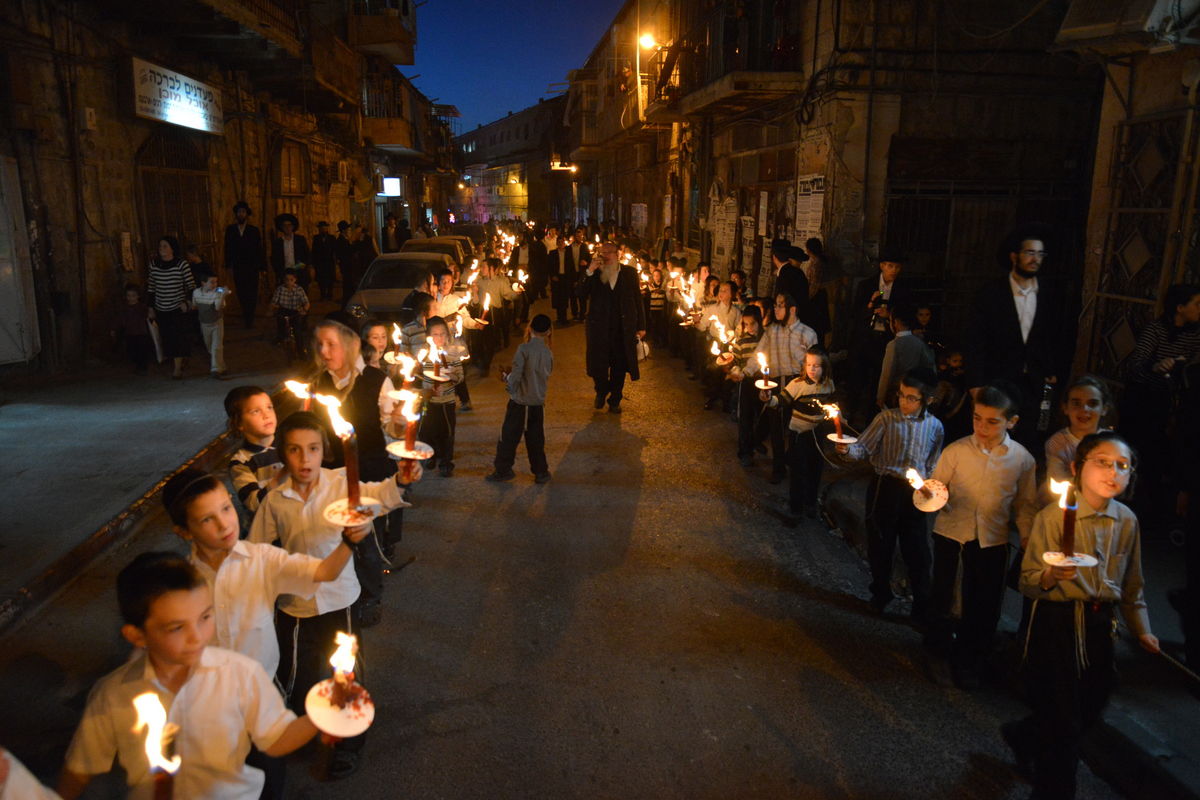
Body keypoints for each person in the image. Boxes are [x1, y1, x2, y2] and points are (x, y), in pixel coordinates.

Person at [56, 552, 320, 799]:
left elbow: (275, 739)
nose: (197, 637)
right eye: (176, 627)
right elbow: (81, 769)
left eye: (205, 616)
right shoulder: (113, 695)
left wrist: (324, 716)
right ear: (136, 636)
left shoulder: (240, 674)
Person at [248, 412, 416, 778]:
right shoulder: (276, 500)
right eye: (294, 450)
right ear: (283, 455)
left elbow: (378, 497)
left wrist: (400, 480)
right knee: (299, 673)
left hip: (341, 598)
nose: (304, 458)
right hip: (295, 606)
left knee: (347, 673)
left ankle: (348, 742)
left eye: (312, 449)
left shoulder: (342, 482)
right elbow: (254, 550)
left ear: (324, 451)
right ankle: (305, 731)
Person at [1004, 432, 1158, 799]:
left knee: (1092, 704)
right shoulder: (1053, 518)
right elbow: (1026, 581)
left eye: (1123, 465)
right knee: (1064, 724)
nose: (1113, 472)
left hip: (1101, 625)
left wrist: (1143, 630)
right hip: (1057, 623)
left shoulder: (1127, 521)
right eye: (1102, 462)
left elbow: (1133, 584)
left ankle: (1024, 735)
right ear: (1077, 468)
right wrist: (1050, 575)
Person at [927, 383, 1039, 688]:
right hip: (952, 535)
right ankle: (938, 652)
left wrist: (1028, 538)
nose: (982, 427)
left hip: (993, 541)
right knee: (946, 597)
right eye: (977, 419)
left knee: (985, 605)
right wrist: (931, 494)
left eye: (992, 421)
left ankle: (970, 660)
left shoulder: (1022, 460)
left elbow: (1026, 505)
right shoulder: (957, 451)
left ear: (1011, 422)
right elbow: (936, 488)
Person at [308, 320, 400, 620]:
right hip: (331, 471)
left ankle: (371, 595)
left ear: (350, 345)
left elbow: (392, 429)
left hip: (369, 468)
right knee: (335, 534)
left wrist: (401, 422)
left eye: (331, 343)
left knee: (364, 536)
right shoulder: (318, 383)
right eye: (320, 344)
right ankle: (341, 587)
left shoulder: (376, 381)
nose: (324, 351)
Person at [839, 368, 944, 617]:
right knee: (880, 545)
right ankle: (881, 593)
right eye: (901, 395)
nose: (904, 402)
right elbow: (863, 448)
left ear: (927, 400)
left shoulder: (935, 426)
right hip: (885, 488)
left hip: (914, 493)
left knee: (917, 549)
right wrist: (846, 451)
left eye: (911, 398)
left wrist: (932, 487)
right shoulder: (886, 419)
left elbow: (933, 462)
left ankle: (921, 604)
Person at [965, 228, 1070, 453]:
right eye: (1030, 253)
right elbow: (975, 339)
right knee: (992, 437)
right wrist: (976, 382)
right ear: (1014, 256)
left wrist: (1054, 370)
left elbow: (1059, 335)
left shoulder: (1050, 294)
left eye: (1040, 254)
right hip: (998, 377)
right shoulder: (991, 294)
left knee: (1029, 437)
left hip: (1034, 380)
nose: (1035, 259)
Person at [1119, 282, 1200, 516]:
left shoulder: (1195, 334)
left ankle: (1153, 511)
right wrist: (1155, 367)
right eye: (1196, 304)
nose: (1199, 309)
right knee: (1135, 449)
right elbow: (1135, 366)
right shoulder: (1156, 330)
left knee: (1159, 456)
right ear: (1179, 307)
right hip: (1142, 399)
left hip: (1170, 402)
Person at [745, 292, 819, 483]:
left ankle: (791, 459)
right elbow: (759, 353)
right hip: (776, 384)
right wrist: (745, 371)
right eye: (775, 305)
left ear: (792, 309)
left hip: (799, 386)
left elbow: (816, 365)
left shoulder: (808, 334)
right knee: (776, 427)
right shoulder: (772, 331)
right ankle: (778, 468)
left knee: (794, 428)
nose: (775, 309)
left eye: (780, 305)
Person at [768, 348, 837, 521]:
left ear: (825, 367)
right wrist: (768, 398)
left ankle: (810, 503)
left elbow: (832, 405)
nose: (812, 369)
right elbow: (780, 401)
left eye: (817, 366)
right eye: (809, 365)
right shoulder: (797, 385)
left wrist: (836, 415)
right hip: (799, 433)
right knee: (798, 470)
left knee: (815, 469)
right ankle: (795, 507)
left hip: (817, 432)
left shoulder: (828, 385)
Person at [579, 241, 647, 413]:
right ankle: (601, 391)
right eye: (603, 253)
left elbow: (637, 300)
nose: (606, 256)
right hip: (599, 328)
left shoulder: (629, 273)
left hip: (622, 328)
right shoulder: (594, 274)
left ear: (618, 254)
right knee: (598, 365)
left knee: (619, 365)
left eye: (610, 252)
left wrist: (641, 325)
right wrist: (589, 271)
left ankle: (615, 398)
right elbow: (580, 293)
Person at [487, 314, 554, 483]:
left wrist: (507, 381)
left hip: (520, 403)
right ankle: (541, 472)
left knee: (508, 437)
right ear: (548, 332)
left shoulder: (523, 349)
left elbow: (516, 377)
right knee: (536, 439)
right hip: (537, 403)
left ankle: (503, 470)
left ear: (530, 328)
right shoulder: (548, 353)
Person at [848, 252, 911, 424]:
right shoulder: (866, 285)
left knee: (878, 380)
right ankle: (851, 414)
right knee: (857, 378)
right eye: (890, 266)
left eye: (897, 267)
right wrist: (870, 308)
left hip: (886, 340)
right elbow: (854, 312)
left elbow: (907, 313)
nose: (894, 270)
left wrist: (889, 314)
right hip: (865, 338)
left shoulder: (903, 289)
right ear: (882, 266)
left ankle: (872, 418)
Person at [225, 385, 282, 520]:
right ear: (239, 423)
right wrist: (283, 475)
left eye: (269, 407)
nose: (266, 415)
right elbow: (254, 503)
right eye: (255, 411)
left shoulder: (290, 444)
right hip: (271, 528)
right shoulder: (240, 463)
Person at [1044, 375, 1112, 486]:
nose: (1084, 409)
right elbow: (1058, 481)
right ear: (1065, 408)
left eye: (1092, 404)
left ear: (1104, 409)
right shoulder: (1057, 443)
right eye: (1076, 403)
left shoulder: (1112, 442)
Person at [419, 316, 466, 477]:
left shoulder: (452, 355)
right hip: (429, 401)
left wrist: (451, 376)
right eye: (435, 334)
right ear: (429, 337)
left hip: (446, 401)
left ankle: (446, 462)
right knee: (427, 430)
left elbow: (460, 376)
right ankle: (430, 456)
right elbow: (418, 374)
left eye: (442, 334)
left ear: (447, 335)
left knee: (446, 432)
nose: (439, 338)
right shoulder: (425, 355)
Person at [146, 235, 194, 380]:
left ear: (173, 248)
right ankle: (177, 361)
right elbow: (151, 287)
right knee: (167, 338)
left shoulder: (181, 264)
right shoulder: (154, 265)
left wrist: (187, 303)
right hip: (161, 307)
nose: (162, 249)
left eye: (165, 246)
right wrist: (151, 307)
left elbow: (191, 285)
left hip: (177, 307)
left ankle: (177, 369)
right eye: (160, 246)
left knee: (178, 337)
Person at [876, 303, 935, 410]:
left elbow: (887, 374)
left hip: (897, 395)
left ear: (896, 322)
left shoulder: (894, 345)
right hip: (916, 393)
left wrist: (880, 397)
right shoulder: (919, 343)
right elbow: (930, 365)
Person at [731, 306, 765, 467]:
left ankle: (756, 440)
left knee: (763, 417)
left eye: (753, 324)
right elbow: (735, 362)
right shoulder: (741, 342)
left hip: (764, 384)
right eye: (746, 324)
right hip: (747, 384)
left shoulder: (765, 340)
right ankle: (745, 451)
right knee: (745, 418)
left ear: (760, 321)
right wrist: (734, 370)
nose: (749, 328)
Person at [224, 201, 266, 329]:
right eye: (239, 212)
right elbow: (227, 248)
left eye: (243, 212)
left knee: (252, 291)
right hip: (238, 266)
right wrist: (228, 265)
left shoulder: (253, 230)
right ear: (236, 214)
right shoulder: (230, 230)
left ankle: (250, 318)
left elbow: (259, 249)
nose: (241, 214)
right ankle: (245, 313)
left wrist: (262, 267)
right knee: (241, 291)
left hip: (252, 266)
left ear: (247, 214)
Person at [110, 283, 153, 374]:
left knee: (142, 351)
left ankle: (143, 367)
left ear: (138, 296)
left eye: (133, 296)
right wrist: (114, 329)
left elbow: (149, 316)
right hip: (130, 333)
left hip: (141, 333)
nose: (131, 298)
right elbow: (119, 319)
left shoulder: (142, 307)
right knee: (132, 351)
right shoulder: (124, 308)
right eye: (128, 296)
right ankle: (138, 366)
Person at [192, 269, 228, 378]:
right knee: (209, 346)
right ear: (203, 283)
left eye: (216, 282)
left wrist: (222, 296)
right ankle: (221, 366)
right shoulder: (196, 292)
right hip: (204, 323)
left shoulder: (218, 292)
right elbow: (194, 306)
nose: (215, 284)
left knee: (216, 346)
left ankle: (215, 370)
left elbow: (217, 307)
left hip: (216, 322)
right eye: (211, 282)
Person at [270, 268, 310, 351]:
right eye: (286, 280)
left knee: (297, 331)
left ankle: (301, 350)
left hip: (295, 312)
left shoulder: (299, 290)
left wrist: (304, 310)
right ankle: (280, 337)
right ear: (283, 280)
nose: (289, 282)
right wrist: (273, 308)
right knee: (280, 325)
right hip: (283, 310)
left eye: (291, 280)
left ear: (295, 279)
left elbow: (306, 303)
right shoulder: (280, 289)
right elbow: (273, 302)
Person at [271, 213, 310, 286]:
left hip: (300, 274)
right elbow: (274, 259)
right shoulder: (277, 243)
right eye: (284, 225)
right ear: (281, 227)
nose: (287, 228)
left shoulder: (300, 240)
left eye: (289, 225)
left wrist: (296, 267)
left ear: (293, 227)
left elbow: (307, 257)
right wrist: (281, 272)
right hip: (284, 276)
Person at [311, 221, 337, 301]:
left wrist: (335, 259)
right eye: (321, 228)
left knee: (330, 279)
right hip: (320, 262)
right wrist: (313, 262)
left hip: (329, 262)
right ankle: (323, 295)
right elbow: (314, 250)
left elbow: (334, 249)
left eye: (324, 227)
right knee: (321, 280)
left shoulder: (332, 238)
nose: (323, 229)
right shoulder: (316, 238)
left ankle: (329, 294)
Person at [334, 221, 357, 304]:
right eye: (347, 228)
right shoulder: (341, 240)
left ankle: (348, 298)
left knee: (349, 282)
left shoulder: (345, 238)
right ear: (344, 230)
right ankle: (347, 299)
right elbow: (347, 251)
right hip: (346, 265)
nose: (348, 230)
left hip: (348, 264)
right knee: (348, 282)